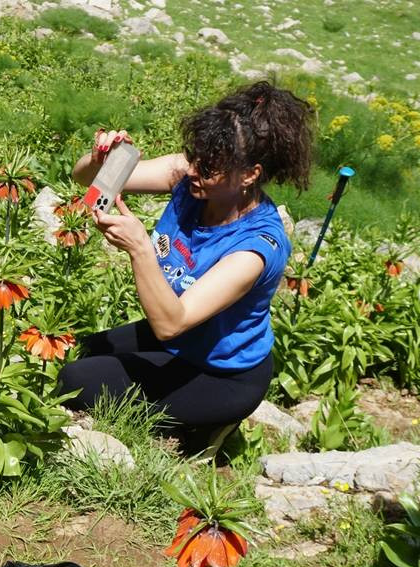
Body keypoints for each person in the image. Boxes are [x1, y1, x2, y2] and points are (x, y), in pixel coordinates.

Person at [59, 81, 312, 454]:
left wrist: (140, 249)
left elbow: (169, 322)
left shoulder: (256, 248)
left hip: (223, 373)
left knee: (73, 380)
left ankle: (209, 426)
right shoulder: (192, 176)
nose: (193, 170)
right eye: (195, 157)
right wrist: (103, 161)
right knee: (82, 350)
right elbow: (84, 180)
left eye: (209, 167)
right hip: (180, 340)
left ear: (249, 175)